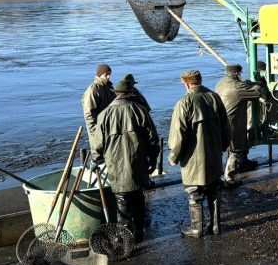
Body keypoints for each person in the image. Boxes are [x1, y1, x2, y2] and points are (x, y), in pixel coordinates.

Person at [90, 77, 161, 243]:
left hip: (115, 166)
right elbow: (153, 139)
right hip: (138, 163)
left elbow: (97, 143)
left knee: (122, 200)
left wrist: (96, 159)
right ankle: (139, 233)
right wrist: (153, 159)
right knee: (138, 197)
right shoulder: (140, 110)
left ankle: (125, 237)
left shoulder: (104, 114)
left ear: (116, 94)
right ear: (130, 93)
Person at [169, 70, 230, 237]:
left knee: (194, 194)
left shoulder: (184, 102)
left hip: (193, 158)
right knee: (214, 190)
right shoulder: (214, 97)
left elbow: (177, 135)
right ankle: (216, 226)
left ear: (187, 84)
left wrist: (173, 157)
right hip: (214, 154)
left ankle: (196, 229)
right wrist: (223, 146)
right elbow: (226, 125)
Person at [215, 64, 262, 187]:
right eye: (240, 73)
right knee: (235, 149)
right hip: (233, 122)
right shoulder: (237, 86)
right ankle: (229, 178)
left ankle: (243, 162)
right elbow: (257, 93)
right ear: (237, 74)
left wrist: (246, 84)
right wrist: (259, 83)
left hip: (221, 121)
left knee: (231, 146)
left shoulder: (221, 83)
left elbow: (241, 89)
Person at [82, 64, 116, 136]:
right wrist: (94, 133)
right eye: (106, 74)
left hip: (109, 127)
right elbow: (89, 114)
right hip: (98, 130)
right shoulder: (93, 90)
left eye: (109, 74)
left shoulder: (109, 88)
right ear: (100, 75)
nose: (108, 77)